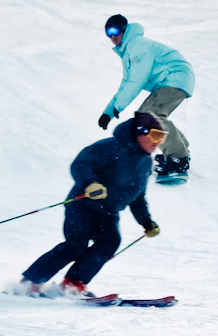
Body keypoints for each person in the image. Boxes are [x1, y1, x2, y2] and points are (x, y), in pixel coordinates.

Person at [16, 112, 165, 297]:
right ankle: (30, 282)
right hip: (83, 205)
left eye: (162, 137)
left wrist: (146, 221)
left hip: (109, 211)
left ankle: (73, 284)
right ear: (139, 133)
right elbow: (81, 164)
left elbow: (137, 196)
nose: (158, 141)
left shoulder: (145, 163)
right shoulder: (111, 147)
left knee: (109, 243)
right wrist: (89, 184)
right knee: (75, 245)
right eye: (155, 135)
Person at [98, 14, 195, 182]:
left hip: (175, 77)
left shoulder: (136, 45)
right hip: (174, 79)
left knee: (147, 118)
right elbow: (126, 83)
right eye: (108, 33)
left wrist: (117, 107)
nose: (112, 36)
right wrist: (109, 112)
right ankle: (180, 150)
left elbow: (136, 81)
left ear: (124, 29)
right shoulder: (129, 50)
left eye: (115, 31)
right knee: (148, 117)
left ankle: (178, 157)